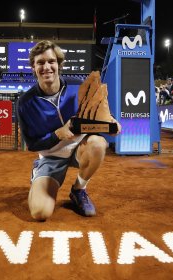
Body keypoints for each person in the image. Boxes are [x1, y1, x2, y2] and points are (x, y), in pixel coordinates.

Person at [17, 40, 121, 221]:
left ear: (59, 64)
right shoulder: (25, 103)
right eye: (40, 63)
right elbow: (32, 144)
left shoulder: (78, 85)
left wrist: (110, 123)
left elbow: (97, 114)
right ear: (33, 68)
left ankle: (79, 190)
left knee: (98, 144)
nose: (46, 67)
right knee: (40, 213)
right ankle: (39, 173)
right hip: (51, 157)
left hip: (79, 147)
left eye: (51, 61)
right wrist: (58, 134)